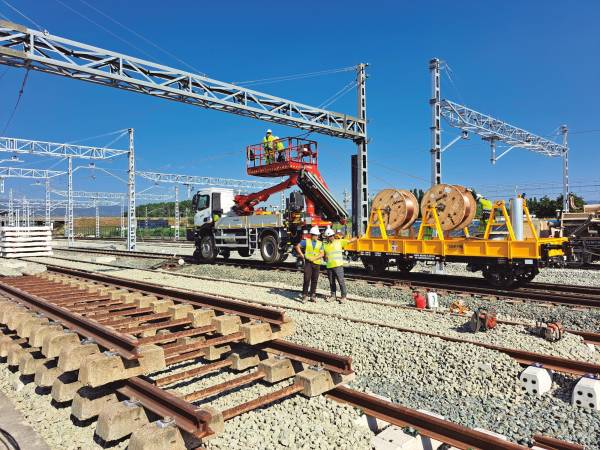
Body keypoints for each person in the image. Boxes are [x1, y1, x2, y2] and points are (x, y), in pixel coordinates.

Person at [323, 228, 356, 303]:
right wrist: (325, 258)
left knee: (341, 281)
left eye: (331, 236)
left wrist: (357, 237)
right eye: (329, 236)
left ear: (333, 236)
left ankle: (343, 297)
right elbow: (325, 256)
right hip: (329, 266)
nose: (330, 237)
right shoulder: (325, 245)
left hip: (338, 266)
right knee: (332, 282)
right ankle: (333, 296)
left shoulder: (339, 242)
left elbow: (350, 241)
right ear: (327, 238)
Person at [294, 226, 324, 303]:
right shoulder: (306, 241)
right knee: (306, 279)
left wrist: (314, 258)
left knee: (315, 280)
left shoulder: (320, 243)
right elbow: (297, 246)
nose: (317, 236)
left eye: (317, 235)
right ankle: (304, 295)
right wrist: (302, 255)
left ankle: (312, 295)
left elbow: (322, 254)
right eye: (315, 235)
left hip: (316, 263)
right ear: (312, 235)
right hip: (308, 263)